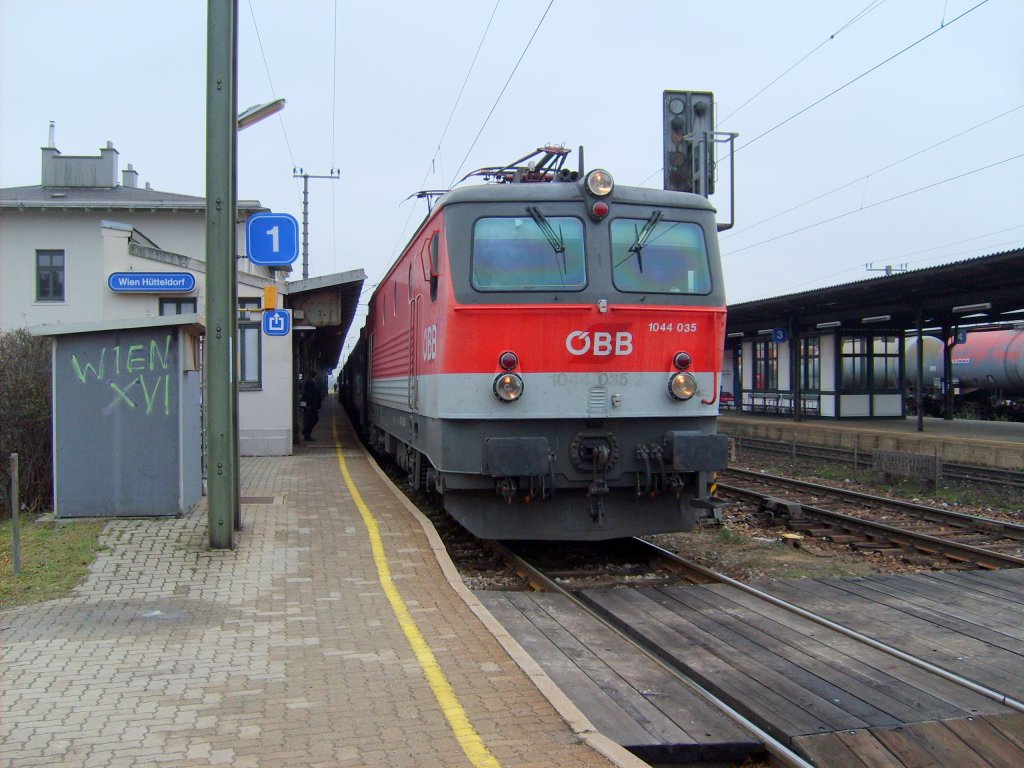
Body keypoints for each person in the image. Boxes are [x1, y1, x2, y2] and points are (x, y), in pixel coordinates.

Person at [301, 371, 322, 441]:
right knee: (313, 419)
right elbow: (308, 395)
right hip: (311, 406)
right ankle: (306, 433)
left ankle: (306, 433)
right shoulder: (310, 383)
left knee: (312, 419)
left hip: (312, 405)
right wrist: (308, 404)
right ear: (315, 375)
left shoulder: (310, 382)